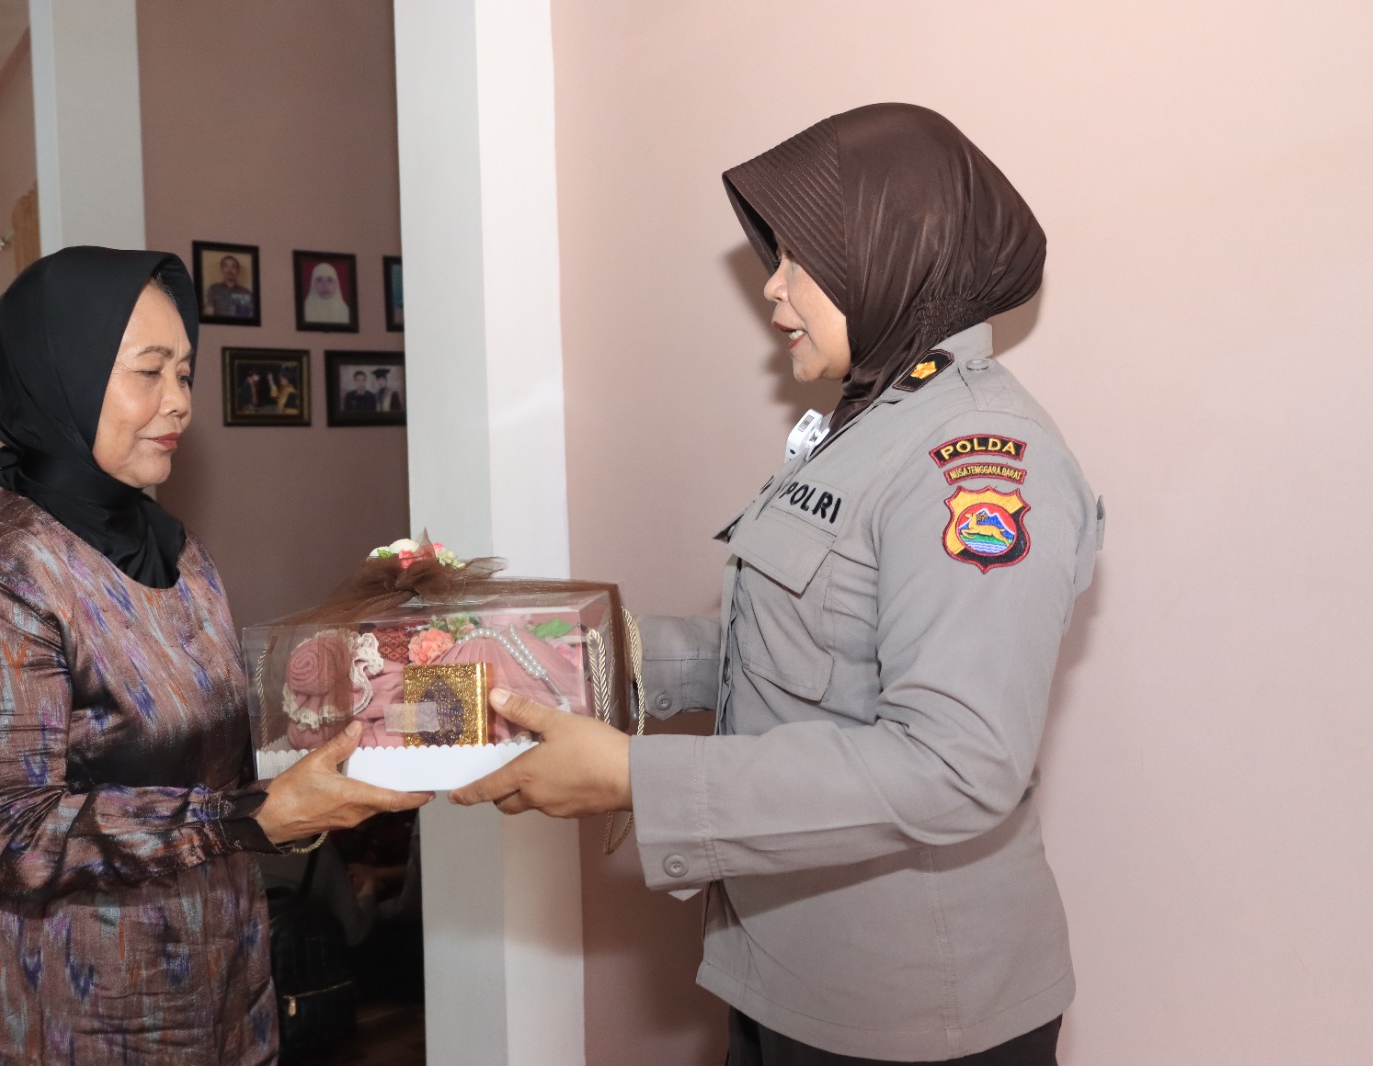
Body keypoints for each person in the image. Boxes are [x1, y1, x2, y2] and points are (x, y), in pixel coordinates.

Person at [452, 104, 1100, 1064]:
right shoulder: (872, 421)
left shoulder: (976, 458)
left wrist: (631, 777)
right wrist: (579, 653)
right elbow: (806, 651)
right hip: (787, 967)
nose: (772, 285)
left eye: (800, 258)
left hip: (908, 1011)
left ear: (892, 250)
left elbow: (956, 766)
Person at [0, 246, 430, 1064]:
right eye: (149, 372)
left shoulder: (175, 548)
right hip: (75, 989)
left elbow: (207, 731)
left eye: (184, 373)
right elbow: (8, 830)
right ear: (61, 377)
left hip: (218, 959)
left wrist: (365, 686)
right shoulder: (0, 580)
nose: (179, 401)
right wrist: (246, 817)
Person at [204, 253, 254, 318]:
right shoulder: (214, 289)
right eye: (226, 266)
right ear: (221, 269)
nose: (229, 270)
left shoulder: (245, 292)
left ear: (238, 271)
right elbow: (209, 313)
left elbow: (246, 316)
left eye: (233, 267)